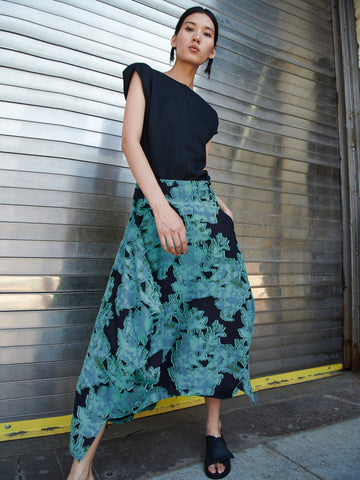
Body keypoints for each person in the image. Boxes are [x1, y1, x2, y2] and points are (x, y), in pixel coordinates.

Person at [67, 6, 255, 480]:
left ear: (213, 50)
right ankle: (82, 464)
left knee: (222, 318)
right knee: (123, 331)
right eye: (189, 28)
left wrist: (222, 206)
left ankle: (214, 429)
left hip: (204, 222)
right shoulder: (144, 78)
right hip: (156, 216)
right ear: (174, 38)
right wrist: (161, 207)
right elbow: (132, 144)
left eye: (206, 33)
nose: (196, 37)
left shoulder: (208, 114)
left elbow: (200, 169)